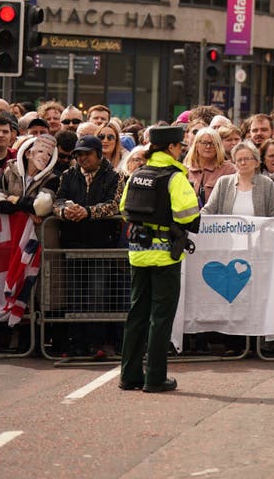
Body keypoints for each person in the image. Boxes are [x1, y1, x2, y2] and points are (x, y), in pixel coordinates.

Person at [118, 125, 199, 392]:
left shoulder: (137, 174)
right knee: (161, 317)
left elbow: (124, 209)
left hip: (138, 254)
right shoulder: (174, 177)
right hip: (165, 256)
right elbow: (188, 215)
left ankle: (129, 376)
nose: (181, 151)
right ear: (171, 148)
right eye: (180, 146)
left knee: (137, 314)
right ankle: (155, 378)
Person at [54, 134, 126, 359]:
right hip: (72, 244)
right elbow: (58, 200)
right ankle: (76, 342)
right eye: (79, 154)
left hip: (100, 245)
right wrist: (66, 210)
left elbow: (115, 204)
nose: (82, 158)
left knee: (97, 294)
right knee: (74, 296)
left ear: (98, 154)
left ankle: (96, 343)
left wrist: (88, 212)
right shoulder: (68, 175)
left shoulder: (114, 176)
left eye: (87, 154)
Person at [201, 142, 274, 217]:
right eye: (239, 160)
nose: (243, 163)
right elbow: (208, 210)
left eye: (246, 159)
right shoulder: (223, 182)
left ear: (257, 162)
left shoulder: (266, 183)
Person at [184, 127, 236, 208]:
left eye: (212, 144)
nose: (208, 146)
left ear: (218, 146)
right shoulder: (185, 169)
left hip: (217, 218)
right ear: (196, 145)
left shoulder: (229, 170)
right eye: (204, 143)